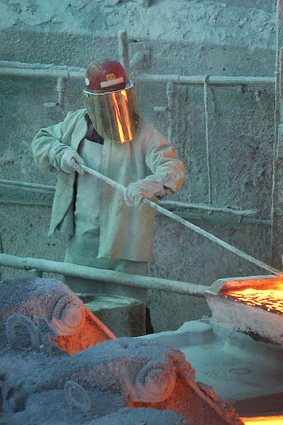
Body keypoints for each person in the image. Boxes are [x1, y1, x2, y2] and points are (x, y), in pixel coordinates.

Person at [32, 59, 186, 302]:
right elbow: (43, 140)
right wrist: (60, 153)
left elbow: (173, 168)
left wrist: (151, 184)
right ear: (91, 100)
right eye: (107, 102)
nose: (115, 109)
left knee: (126, 315)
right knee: (79, 313)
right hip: (82, 243)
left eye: (120, 99)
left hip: (125, 244)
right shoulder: (75, 124)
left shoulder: (144, 133)